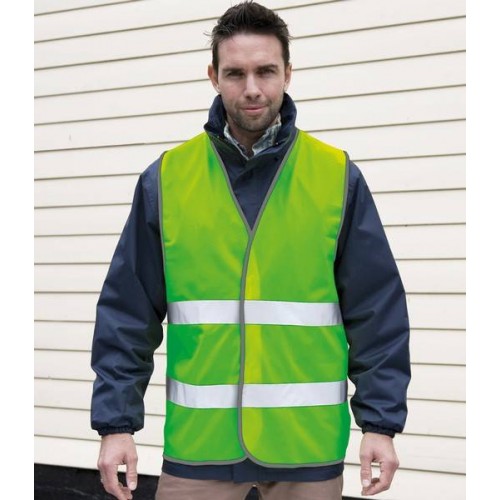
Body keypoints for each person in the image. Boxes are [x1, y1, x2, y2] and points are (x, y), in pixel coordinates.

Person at [90, 2, 411, 499]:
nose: (253, 88)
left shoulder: (336, 177)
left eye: (266, 71)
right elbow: (127, 312)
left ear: (288, 72)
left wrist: (380, 423)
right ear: (214, 77)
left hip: (305, 449)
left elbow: (377, 310)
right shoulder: (167, 180)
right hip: (200, 450)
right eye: (236, 73)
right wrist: (116, 425)